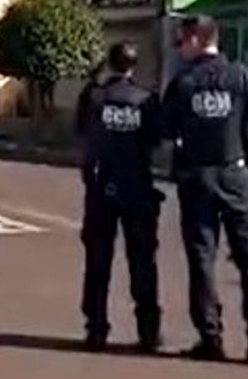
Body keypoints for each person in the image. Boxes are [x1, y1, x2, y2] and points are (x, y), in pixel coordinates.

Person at [161, 15, 248, 366]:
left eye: (182, 41)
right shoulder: (243, 76)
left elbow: (164, 131)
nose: (179, 48)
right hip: (236, 176)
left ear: (196, 40)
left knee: (202, 260)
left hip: (196, 180)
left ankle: (210, 338)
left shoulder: (182, 84)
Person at [75, 42, 163, 353]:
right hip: (137, 187)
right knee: (142, 261)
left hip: (101, 188)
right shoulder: (147, 100)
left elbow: (83, 138)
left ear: (110, 64)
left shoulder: (94, 97)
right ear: (134, 66)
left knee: (97, 262)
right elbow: (155, 141)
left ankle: (96, 329)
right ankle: (149, 331)